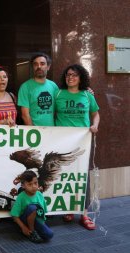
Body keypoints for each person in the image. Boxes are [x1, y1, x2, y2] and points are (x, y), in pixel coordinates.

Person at [55, 64, 100, 230]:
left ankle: (84, 214)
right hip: (62, 142)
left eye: (74, 75)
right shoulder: (58, 93)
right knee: (64, 176)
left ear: (81, 78)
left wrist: (95, 125)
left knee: (82, 177)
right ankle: (68, 209)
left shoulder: (88, 96)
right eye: (67, 75)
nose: (70, 78)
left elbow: (96, 114)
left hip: (82, 143)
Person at [10, 170, 53, 243]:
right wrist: (23, 227)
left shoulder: (39, 195)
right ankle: (31, 232)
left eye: (35, 183)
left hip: (36, 220)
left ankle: (32, 230)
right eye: (30, 184)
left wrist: (40, 225)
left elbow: (42, 212)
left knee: (49, 235)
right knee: (33, 208)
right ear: (23, 186)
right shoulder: (21, 196)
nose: (34, 186)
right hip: (24, 220)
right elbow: (14, 215)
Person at [18, 53, 58, 126]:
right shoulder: (25, 87)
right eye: (35, 64)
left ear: (48, 67)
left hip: (52, 132)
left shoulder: (53, 86)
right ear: (33, 67)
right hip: (35, 133)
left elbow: (57, 111)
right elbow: (25, 115)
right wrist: (34, 133)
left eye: (42, 64)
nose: (39, 66)